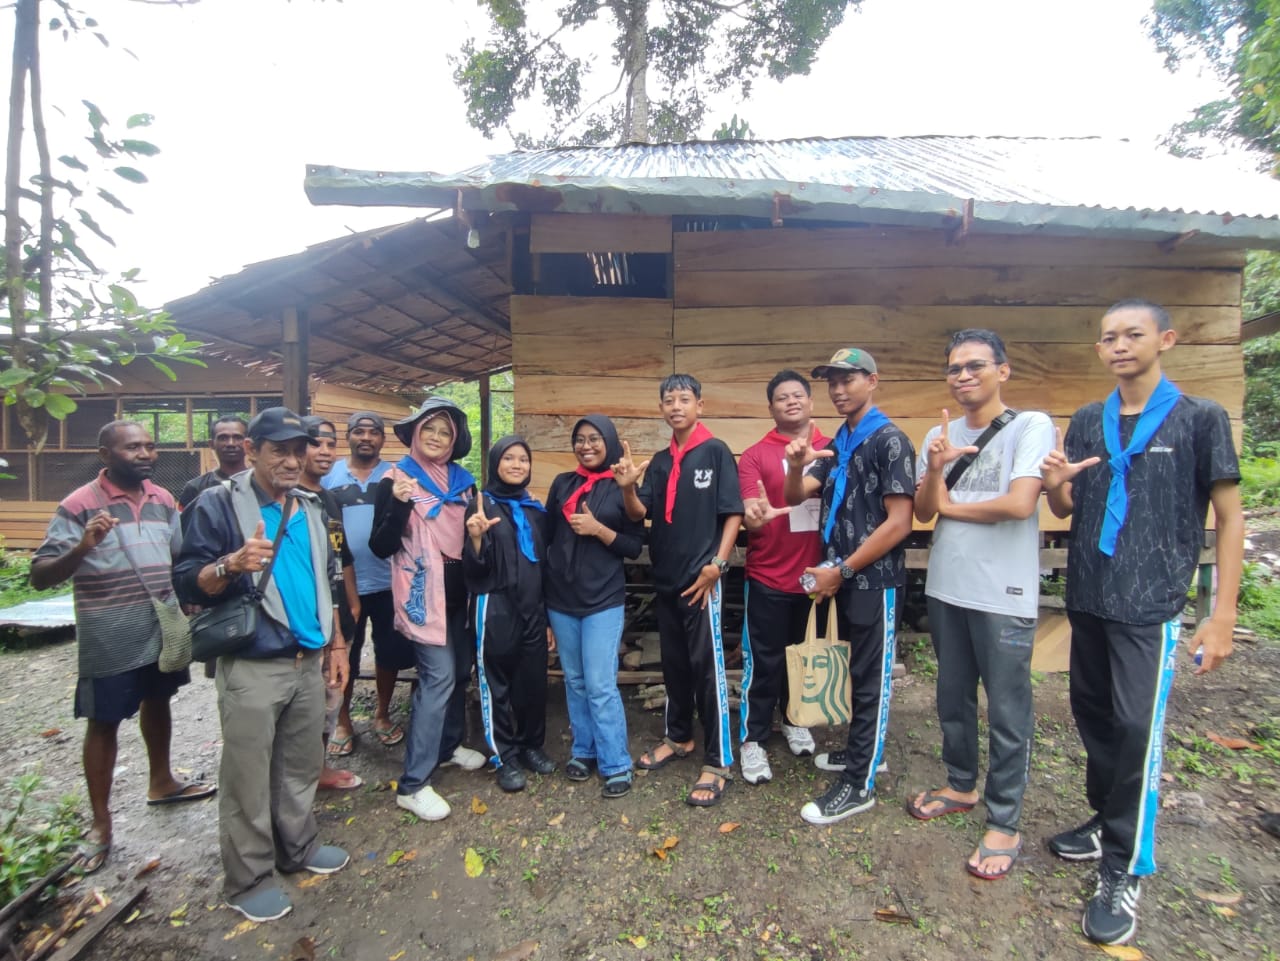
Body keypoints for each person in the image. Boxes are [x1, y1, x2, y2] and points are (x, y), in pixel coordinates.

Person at [1039, 298, 1243, 946]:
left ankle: (1124, 865)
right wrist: (1053, 483)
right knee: (1095, 716)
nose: (1119, 345)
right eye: (1108, 337)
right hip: (1091, 594)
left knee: (1136, 727)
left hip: (1149, 603)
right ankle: (1107, 817)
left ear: (1167, 339)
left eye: (1133, 334)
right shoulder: (1089, 421)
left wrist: (1223, 615)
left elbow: (1231, 517)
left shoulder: (1198, 419)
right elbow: (1069, 503)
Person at [174, 407, 350, 923]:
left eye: (299, 449)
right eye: (280, 450)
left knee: (298, 766)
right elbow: (186, 579)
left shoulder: (311, 506)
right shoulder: (218, 505)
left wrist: (336, 645)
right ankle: (247, 879)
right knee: (247, 777)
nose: (293, 460)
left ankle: (296, 848)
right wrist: (230, 564)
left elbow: (328, 580)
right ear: (252, 451)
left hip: (308, 657)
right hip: (253, 661)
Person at [31, 420, 215, 875]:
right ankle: (101, 822)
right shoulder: (78, 505)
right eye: (133, 447)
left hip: (161, 625)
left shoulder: (163, 499)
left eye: (150, 446)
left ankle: (162, 781)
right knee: (104, 720)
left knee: (160, 699)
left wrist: (189, 594)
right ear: (105, 454)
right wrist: (82, 547)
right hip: (109, 631)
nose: (146, 453)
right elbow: (40, 575)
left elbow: (178, 559)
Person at [907, 329, 1054, 880]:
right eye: (954, 369)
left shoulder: (1030, 425)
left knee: (1009, 708)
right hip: (948, 585)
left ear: (1003, 370)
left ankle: (1005, 820)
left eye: (974, 366)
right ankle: (961, 784)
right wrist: (939, 471)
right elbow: (925, 512)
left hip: (1004, 591)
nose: (963, 376)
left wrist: (949, 504)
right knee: (952, 694)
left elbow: (1020, 503)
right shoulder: (936, 435)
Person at [783, 348, 915, 825]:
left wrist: (844, 569)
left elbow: (901, 522)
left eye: (848, 380)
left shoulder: (890, 441)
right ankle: (866, 753)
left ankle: (860, 783)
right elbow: (794, 495)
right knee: (858, 673)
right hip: (842, 576)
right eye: (832, 382)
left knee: (872, 678)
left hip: (873, 580)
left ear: (872, 381)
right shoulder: (840, 440)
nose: (838, 390)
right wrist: (797, 464)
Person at [614, 373, 743, 807]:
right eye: (668, 400)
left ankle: (719, 760)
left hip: (702, 582)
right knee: (674, 667)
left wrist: (717, 565)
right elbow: (640, 513)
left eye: (684, 399)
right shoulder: (660, 460)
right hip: (666, 580)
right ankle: (679, 737)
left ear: (700, 406)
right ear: (661, 409)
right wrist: (629, 486)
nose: (675, 406)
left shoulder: (716, 452)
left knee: (708, 670)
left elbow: (733, 515)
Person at [369, 398, 484, 821]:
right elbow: (380, 546)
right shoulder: (396, 479)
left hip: (459, 593)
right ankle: (413, 783)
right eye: (429, 429)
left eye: (444, 432)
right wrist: (400, 505)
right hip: (422, 597)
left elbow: (473, 538)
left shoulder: (464, 484)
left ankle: (449, 746)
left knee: (458, 672)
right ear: (415, 434)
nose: (436, 438)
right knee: (436, 679)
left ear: (455, 440)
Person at [736, 370, 830, 785]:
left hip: (818, 577)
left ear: (811, 402)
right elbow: (748, 512)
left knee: (801, 659)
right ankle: (753, 738)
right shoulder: (755, 455)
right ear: (771, 408)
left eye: (797, 395)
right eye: (781, 398)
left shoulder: (833, 448)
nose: (790, 402)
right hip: (769, 574)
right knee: (764, 661)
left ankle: (794, 719)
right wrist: (753, 516)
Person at [544, 415, 645, 798]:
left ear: (611, 443)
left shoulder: (623, 485)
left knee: (601, 683)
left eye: (595, 439)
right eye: (580, 439)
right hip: (561, 600)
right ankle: (584, 750)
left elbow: (634, 546)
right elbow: (547, 539)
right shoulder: (562, 484)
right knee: (575, 680)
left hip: (602, 599)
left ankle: (616, 761)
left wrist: (599, 530)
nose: (586, 446)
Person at [464, 435, 555, 793]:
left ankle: (532, 745)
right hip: (495, 605)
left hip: (532, 606)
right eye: (509, 459)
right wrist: (474, 539)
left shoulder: (534, 509)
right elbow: (474, 569)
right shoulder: (481, 504)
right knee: (496, 682)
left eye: (523, 459)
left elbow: (543, 563)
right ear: (495, 464)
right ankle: (504, 755)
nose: (517, 465)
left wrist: (545, 615)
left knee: (533, 681)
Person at [323, 411, 412, 752]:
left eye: (373, 432)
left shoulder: (394, 475)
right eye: (358, 431)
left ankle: (383, 714)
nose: (366, 437)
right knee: (346, 653)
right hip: (345, 584)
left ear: (382, 439)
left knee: (389, 653)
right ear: (348, 437)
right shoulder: (330, 476)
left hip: (390, 581)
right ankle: (343, 721)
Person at [299, 416, 363, 792]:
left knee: (330, 690)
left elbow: (342, 554)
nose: (324, 451)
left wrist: (352, 601)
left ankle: (317, 766)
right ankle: (299, 772)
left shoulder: (329, 499)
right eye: (314, 443)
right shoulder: (288, 499)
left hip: (337, 608)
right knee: (305, 696)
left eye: (329, 444)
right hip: (305, 613)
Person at [178, 416, 247, 513]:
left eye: (237, 437)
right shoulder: (195, 487)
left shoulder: (261, 484)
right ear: (211, 444)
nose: (231, 443)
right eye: (223, 438)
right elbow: (184, 525)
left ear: (248, 443)